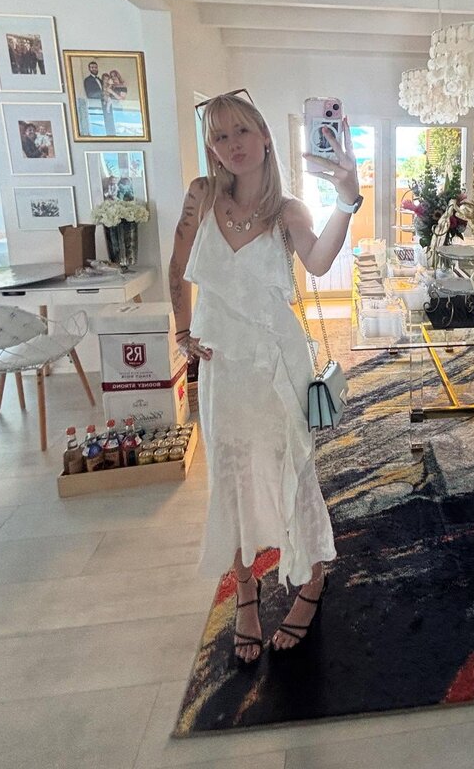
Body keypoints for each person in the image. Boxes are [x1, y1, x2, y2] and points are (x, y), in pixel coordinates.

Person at [168, 91, 361, 667]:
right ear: (212, 148)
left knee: (291, 470)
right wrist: (183, 332)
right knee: (230, 475)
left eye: (242, 132)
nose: (232, 145)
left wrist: (346, 199)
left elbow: (320, 261)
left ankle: (313, 577)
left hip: (278, 365)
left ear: (265, 137)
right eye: (220, 136)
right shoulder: (202, 196)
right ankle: (246, 590)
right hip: (223, 367)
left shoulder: (288, 211)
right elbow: (177, 267)